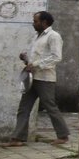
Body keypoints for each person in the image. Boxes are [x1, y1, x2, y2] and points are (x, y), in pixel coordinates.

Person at [10, 10, 69, 145]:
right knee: (24, 108)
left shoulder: (53, 36)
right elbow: (36, 58)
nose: (33, 23)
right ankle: (17, 138)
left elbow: (56, 57)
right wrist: (26, 59)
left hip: (45, 78)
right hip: (32, 78)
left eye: (35, 21)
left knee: (50, 107)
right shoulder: (37, 37)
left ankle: (63, 136)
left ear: (44, 22)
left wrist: (35, 64)